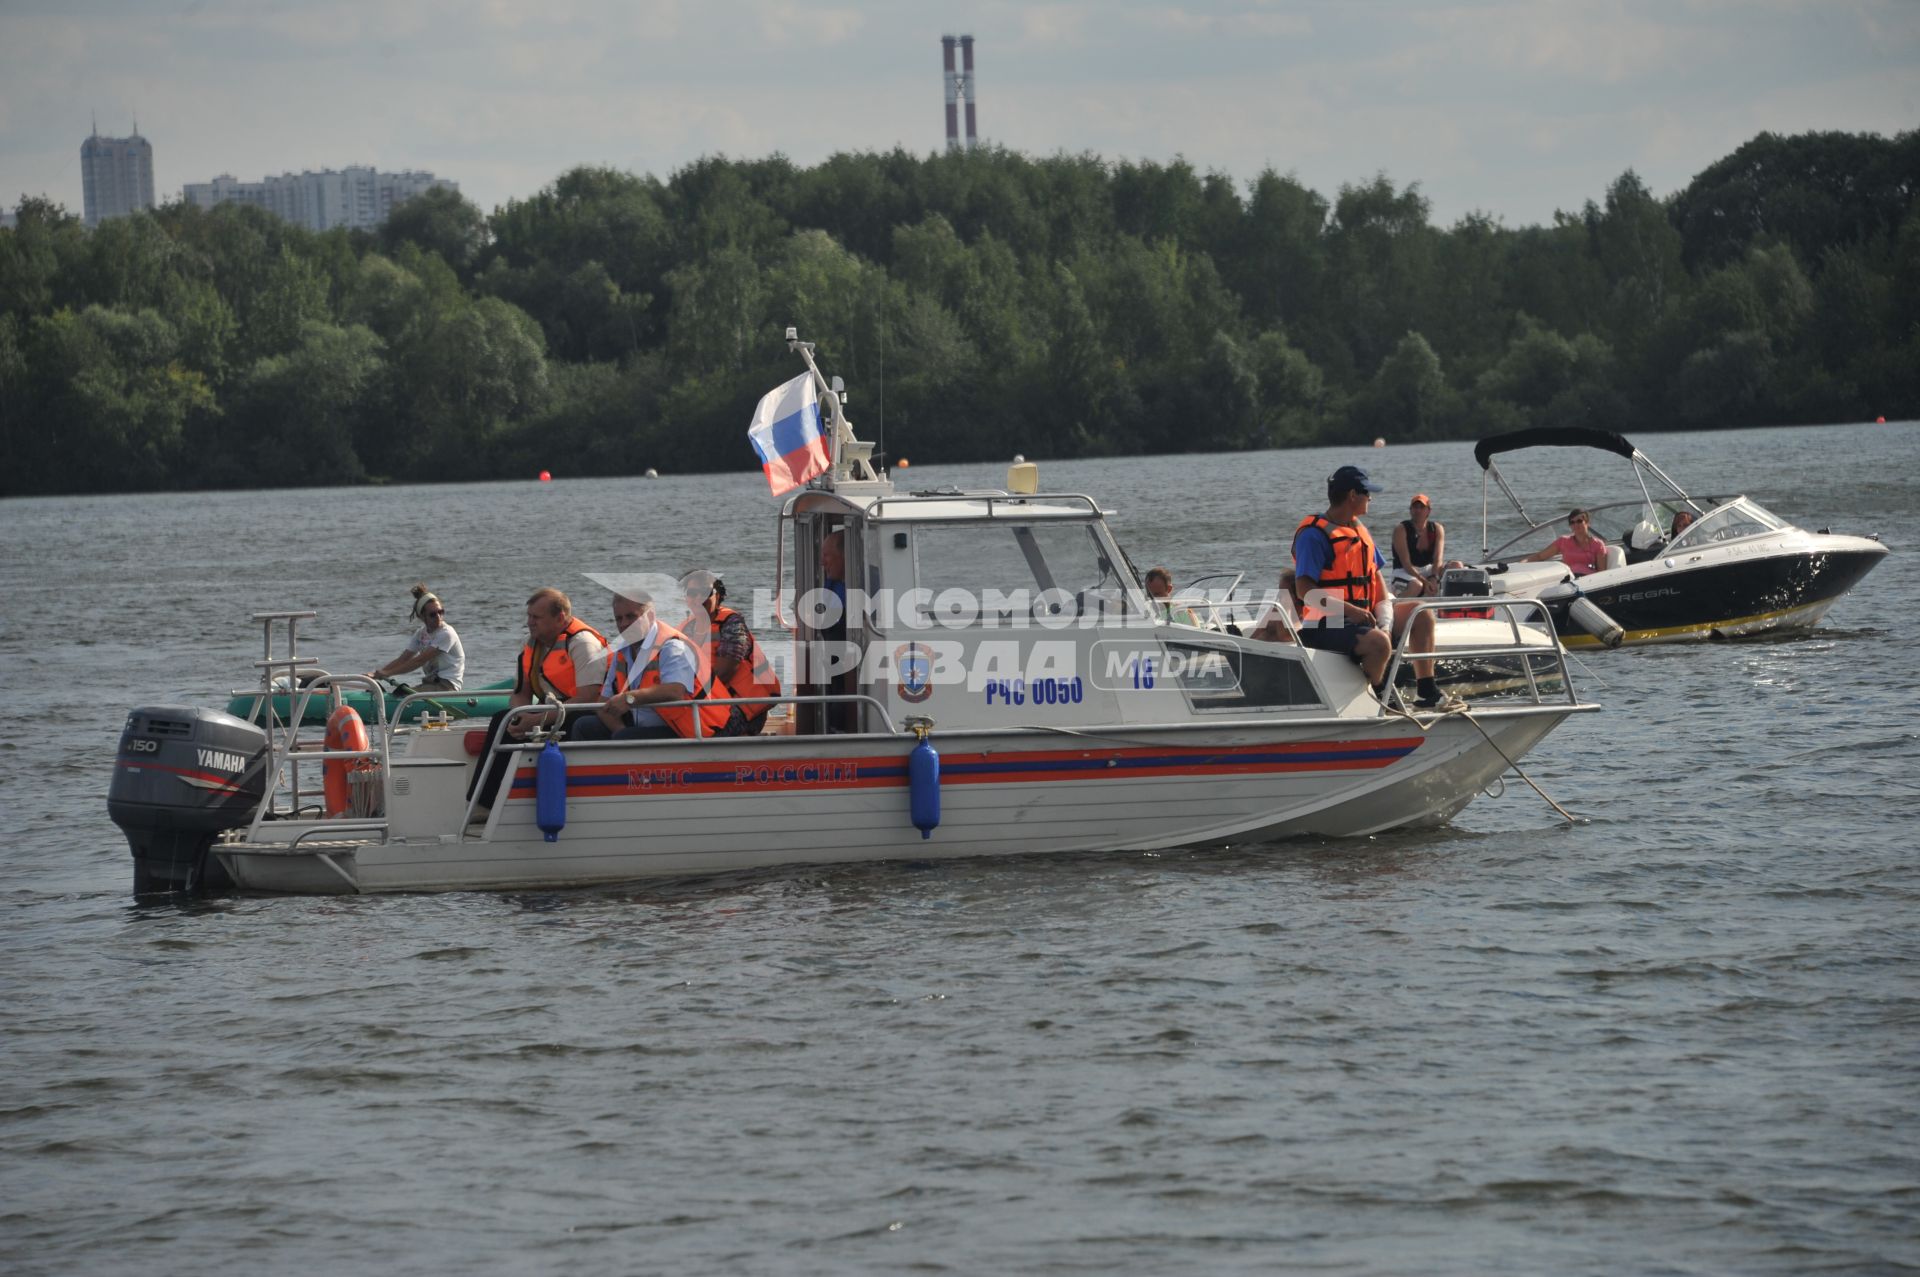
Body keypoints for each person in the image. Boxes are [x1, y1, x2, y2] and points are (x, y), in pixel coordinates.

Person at [1292, 465, 1448, 708]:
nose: (1371, 498)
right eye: (1367, 493)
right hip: (1327, 623)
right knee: (1378, 643)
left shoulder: (1358, 530)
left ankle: (1427, 692)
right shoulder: (1313, 536)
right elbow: (1304, 591)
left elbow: (1376, 581)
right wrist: (1351, 611)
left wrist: (1385, 622)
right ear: (1353, 495)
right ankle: (1382, 699)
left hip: (1362, 617)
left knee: (1422, 613)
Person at [465, 587, 610, 820]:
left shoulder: (583, 643)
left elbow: (589, 698)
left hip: (583, 712)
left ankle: (503, 803)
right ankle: (483, 803)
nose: (530, 622)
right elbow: (521, 692)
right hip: (551, 710)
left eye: (536, 617)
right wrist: (519, 717)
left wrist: (537, 719)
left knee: (574, 722)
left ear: (560, 617)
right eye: (529, 616)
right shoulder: (530, 644)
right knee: (503, 720)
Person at [574, 591, 732, 741]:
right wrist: (619, 729)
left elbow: (675, 691)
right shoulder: (622, 650)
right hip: (644, 725)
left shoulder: (672, 645)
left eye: (631, 617)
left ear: (649, 616)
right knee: (583, 725)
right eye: (619, 619)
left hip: (690, 729)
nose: (624, 624)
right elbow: (603, 703)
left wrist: (629, 698)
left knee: (625, 739)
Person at [680, 570, 782, 736]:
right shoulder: (684, 629)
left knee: (700, 731)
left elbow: (725, 672)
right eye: (692, 593)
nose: (699, 598)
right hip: (706, 702)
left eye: (705, 592)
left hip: (743, 706)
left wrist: (686, 698)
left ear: (718, 595)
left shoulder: (732, 623)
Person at [369, 584, 464, 691]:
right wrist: (377, 674)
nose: (438, 617)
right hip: (431, 682)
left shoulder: (446, 634)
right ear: (421, 616)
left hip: (447, 686)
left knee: (402, 696)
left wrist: (388, 673)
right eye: (433, 614)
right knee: (399, 693)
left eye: (440, 612)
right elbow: (403, 659)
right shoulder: (421, 634)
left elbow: (419, 661)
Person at [1524, 508, 1609, 576]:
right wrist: (1521, 564)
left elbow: (1602, 573)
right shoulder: (1564, 541)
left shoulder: (1598, 544)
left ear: (1587, 523)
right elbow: (1540, 556)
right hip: (1569, 579)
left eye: (1579, 521)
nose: (1575, 525)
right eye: (1572, 522)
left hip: (1589, 580)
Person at [1390, 495, 1446, 597]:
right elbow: (1406, 564)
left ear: (1428, 510)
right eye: (1415, 507)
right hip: (1404, 571)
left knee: (1456, 566)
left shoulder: (1437, 529)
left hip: (1427, 569)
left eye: (1422, 507)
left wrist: (1433, 578)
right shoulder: (1401, 529)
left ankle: (1458, 608)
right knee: (1417, 585)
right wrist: (1425, 582)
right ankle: (1396, 607)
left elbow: (1438, 559)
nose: (1418, 510)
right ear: (1410, 510)